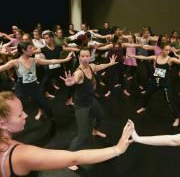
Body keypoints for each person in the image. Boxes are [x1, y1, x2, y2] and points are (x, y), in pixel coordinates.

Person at [0, 91, 133, 176]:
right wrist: (117, 149)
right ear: (2, 124)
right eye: (19, 114)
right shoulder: (22, 155)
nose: (26, 115)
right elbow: (74, 158)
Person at [60, 47, 120, 169]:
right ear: (79, 57)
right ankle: (68, 160)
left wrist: (110, 63)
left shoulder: (91, 67)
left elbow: (99, 66)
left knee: (100, 116)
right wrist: (70, 83)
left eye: (87, 56)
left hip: (91, 100)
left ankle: (94, 130)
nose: (85, 58)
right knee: (82, 135)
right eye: (83, 56)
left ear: (90, 57)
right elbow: (75, 80)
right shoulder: (79, 72)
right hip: (81, 105)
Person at [129, 45, 180, 126]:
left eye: (169, 50)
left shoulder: (170, 59)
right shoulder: (155, 57)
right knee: (147, 94)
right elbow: (143, 57)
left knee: (169, 100)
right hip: (156, 81)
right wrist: (133, 56)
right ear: (162, 50)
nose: (168, 52)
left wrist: (178, 56)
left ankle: (177, 118)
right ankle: (144, 107)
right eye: (166, 50)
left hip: (165, 83)